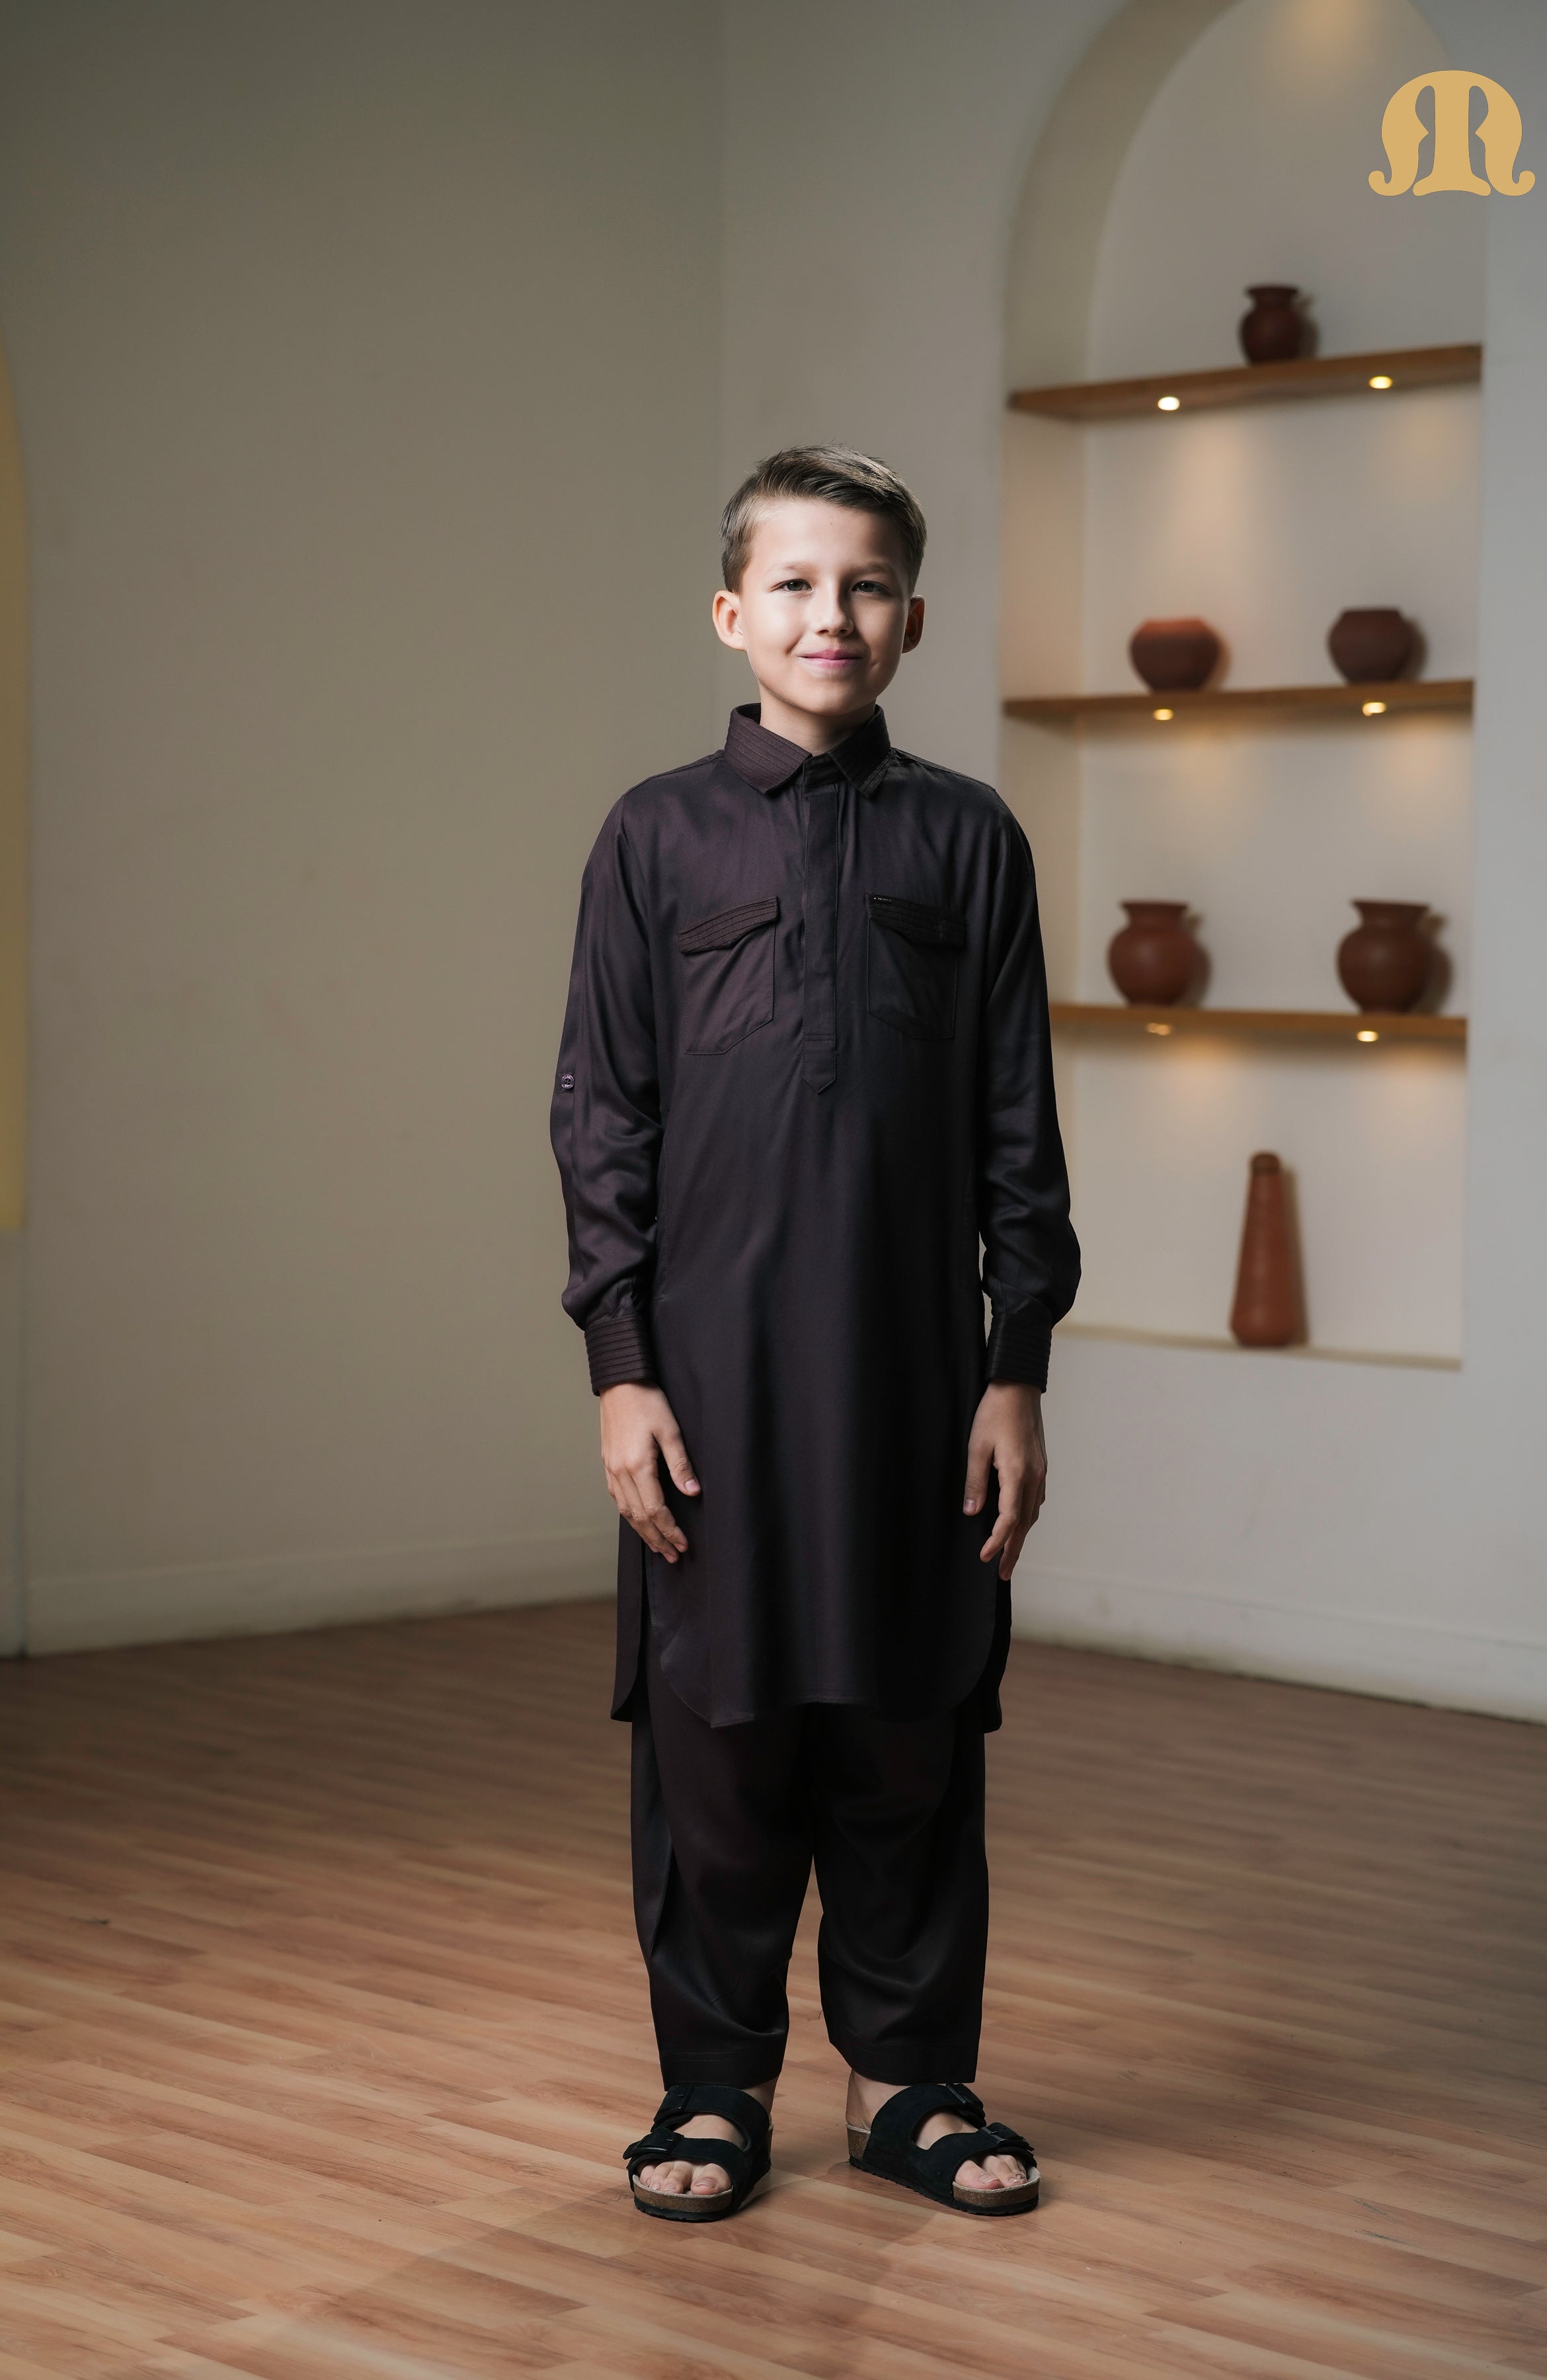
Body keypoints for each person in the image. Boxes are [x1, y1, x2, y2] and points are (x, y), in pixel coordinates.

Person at [550, 446, 1079, 2222]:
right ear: (732, 613)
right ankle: (710, 2090)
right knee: (716, 1744)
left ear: (912, 620)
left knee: (908, 1732)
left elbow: (1020, 1129)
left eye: (865, 587)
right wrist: (620, 1365)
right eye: (793, 583)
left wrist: (1017, 1369)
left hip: (919, 1383)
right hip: (709, 1386)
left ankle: (910, 2084)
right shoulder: (653, 838)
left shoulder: (969, 841)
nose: (829, 616)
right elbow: (600, 1121)